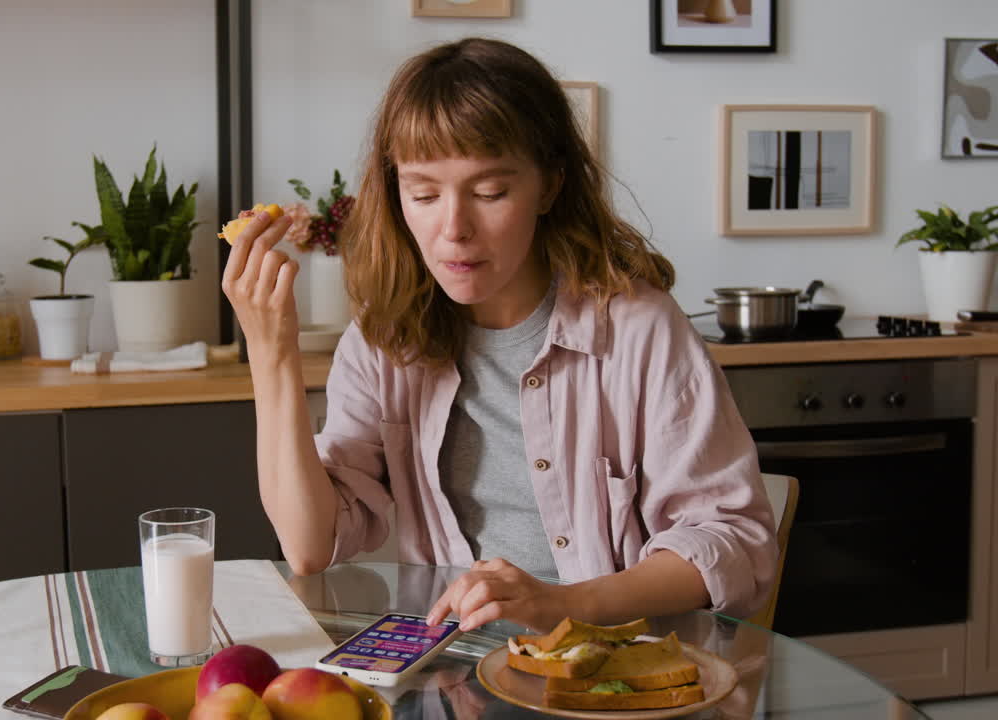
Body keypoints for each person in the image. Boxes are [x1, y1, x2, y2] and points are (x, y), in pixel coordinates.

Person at [221, 37, 777, 635]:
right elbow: (310, 545)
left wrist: (566, 604)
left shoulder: (640, 330)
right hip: (456, 667)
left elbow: (734, 542)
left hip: (608, 665)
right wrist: (271, 353)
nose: (453, 229)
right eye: (424, 194)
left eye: (490, 192)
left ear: (550, 186)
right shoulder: (385, 339)